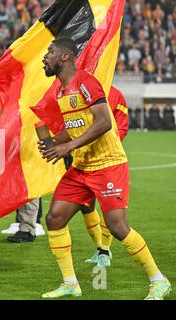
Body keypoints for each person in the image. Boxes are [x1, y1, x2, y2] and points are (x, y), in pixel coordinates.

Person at [39, 37, 171, 300]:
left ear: (65, 57)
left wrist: (67, 147)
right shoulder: (60, 91)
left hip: (109, 165)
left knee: (118, 226)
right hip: (82, 167)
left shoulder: (86, 82)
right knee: (54, 219)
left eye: (50, 52)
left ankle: (159, 280)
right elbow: (75, 125)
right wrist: (56, 141)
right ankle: (70, 283)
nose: (45, 56)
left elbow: (103, 122)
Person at [82, 85, 129, 268]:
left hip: (107, 159)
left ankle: (104, 250)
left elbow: (122, 125)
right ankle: (99, 247)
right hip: (83, 158)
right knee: (86, 205)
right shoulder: (80, 89)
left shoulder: (116, 94)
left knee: (108, 206)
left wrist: (108, 145)